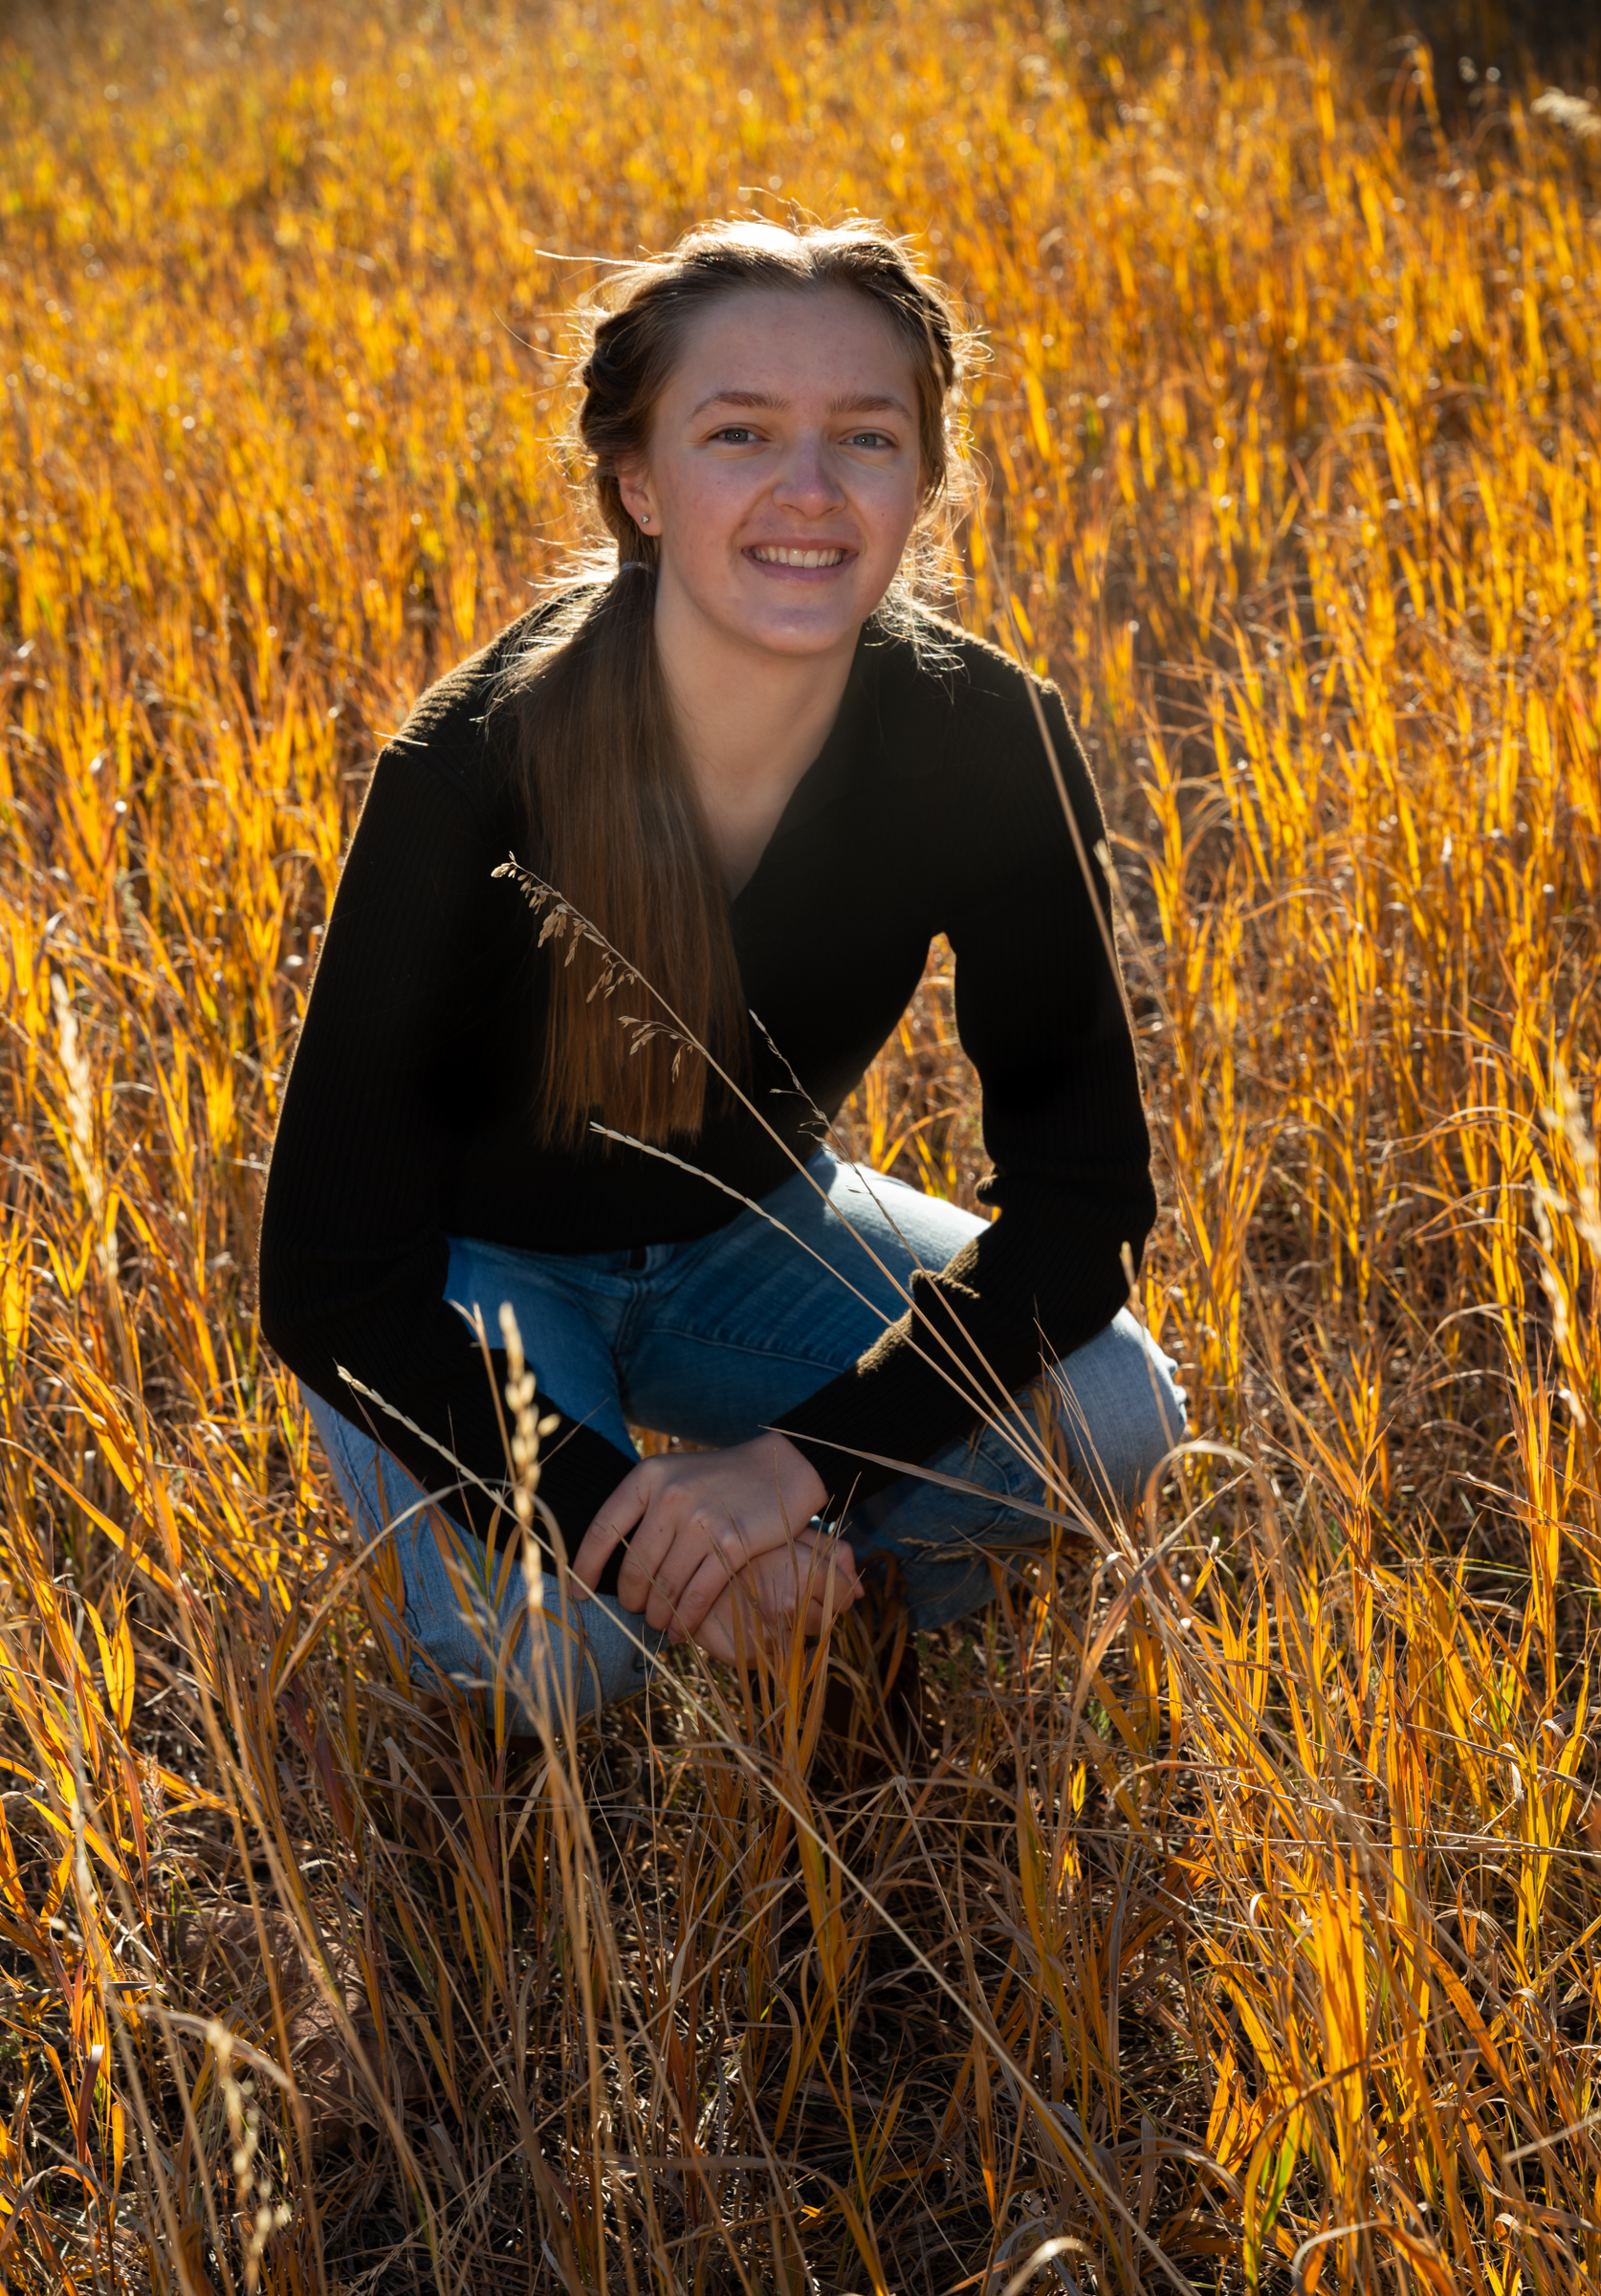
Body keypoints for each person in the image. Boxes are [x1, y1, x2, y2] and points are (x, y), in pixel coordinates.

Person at [256, 219, 1185, 1728]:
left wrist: (796, 1470)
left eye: (864, 437)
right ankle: (729, 1607)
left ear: (923, 479)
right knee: (555, 1670)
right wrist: (639, 1540)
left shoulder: (986, 738)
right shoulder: (473, 762)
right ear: (639, 482)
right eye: (738, 432)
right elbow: (328, 1280)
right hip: (469, 1283)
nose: (807, 490)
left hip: (753, 1232)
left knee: (1113, 1407)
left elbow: (1080, 1211)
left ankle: (839, 1605)